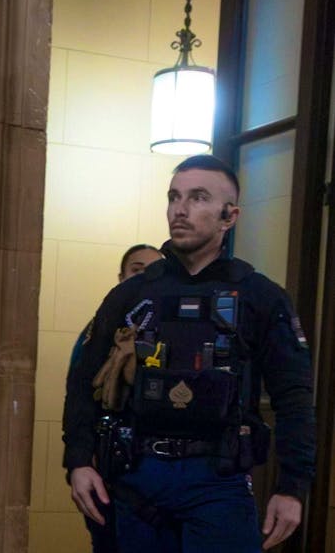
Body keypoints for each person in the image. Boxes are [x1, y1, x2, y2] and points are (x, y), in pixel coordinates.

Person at [62, 154, 316, 552]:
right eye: (174, 197)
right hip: (136, 480)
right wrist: (77, 461)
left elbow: (295, 398)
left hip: (219, 482)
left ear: (229, 217)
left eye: (198, 198)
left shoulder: (260, 298)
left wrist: (293, 487)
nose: (180, 210)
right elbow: (81, 382)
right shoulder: (131, 295)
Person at [68, 243, 162, 553]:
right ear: (121, 276)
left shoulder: (170, 332)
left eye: (155, 271)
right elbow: (79, 394)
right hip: (106, 468)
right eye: (137, 270)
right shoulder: (100, 331)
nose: (145, 278)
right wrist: (80, 461)